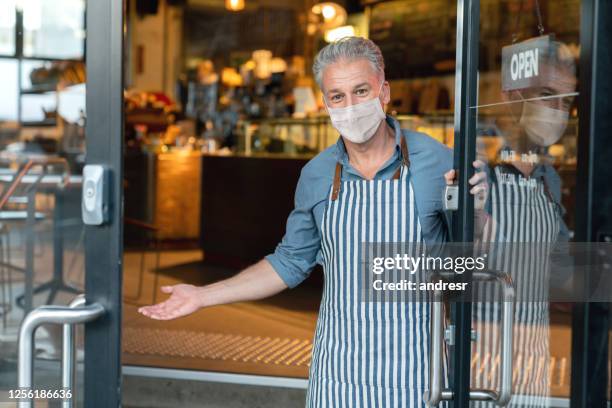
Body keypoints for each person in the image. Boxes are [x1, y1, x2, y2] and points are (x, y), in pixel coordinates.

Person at [139, 36, 483, 407]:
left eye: (361, 91)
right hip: (339, 374)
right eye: (338, 97)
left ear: (384, 93)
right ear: (325, 104)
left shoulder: (438, 161)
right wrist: (203, 295)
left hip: (416, 374)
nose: (350, 106)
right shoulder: (317, 174)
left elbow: (467, 265)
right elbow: (290, 262)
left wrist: (477, 211)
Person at [462, 39, 577, 407]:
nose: (558, 111)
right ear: (510, 95)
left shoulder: (549, 180)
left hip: (531, 364)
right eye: (547, 95)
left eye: (566, 101)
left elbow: (560, 279)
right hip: (477, 364)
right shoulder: (475, 170)